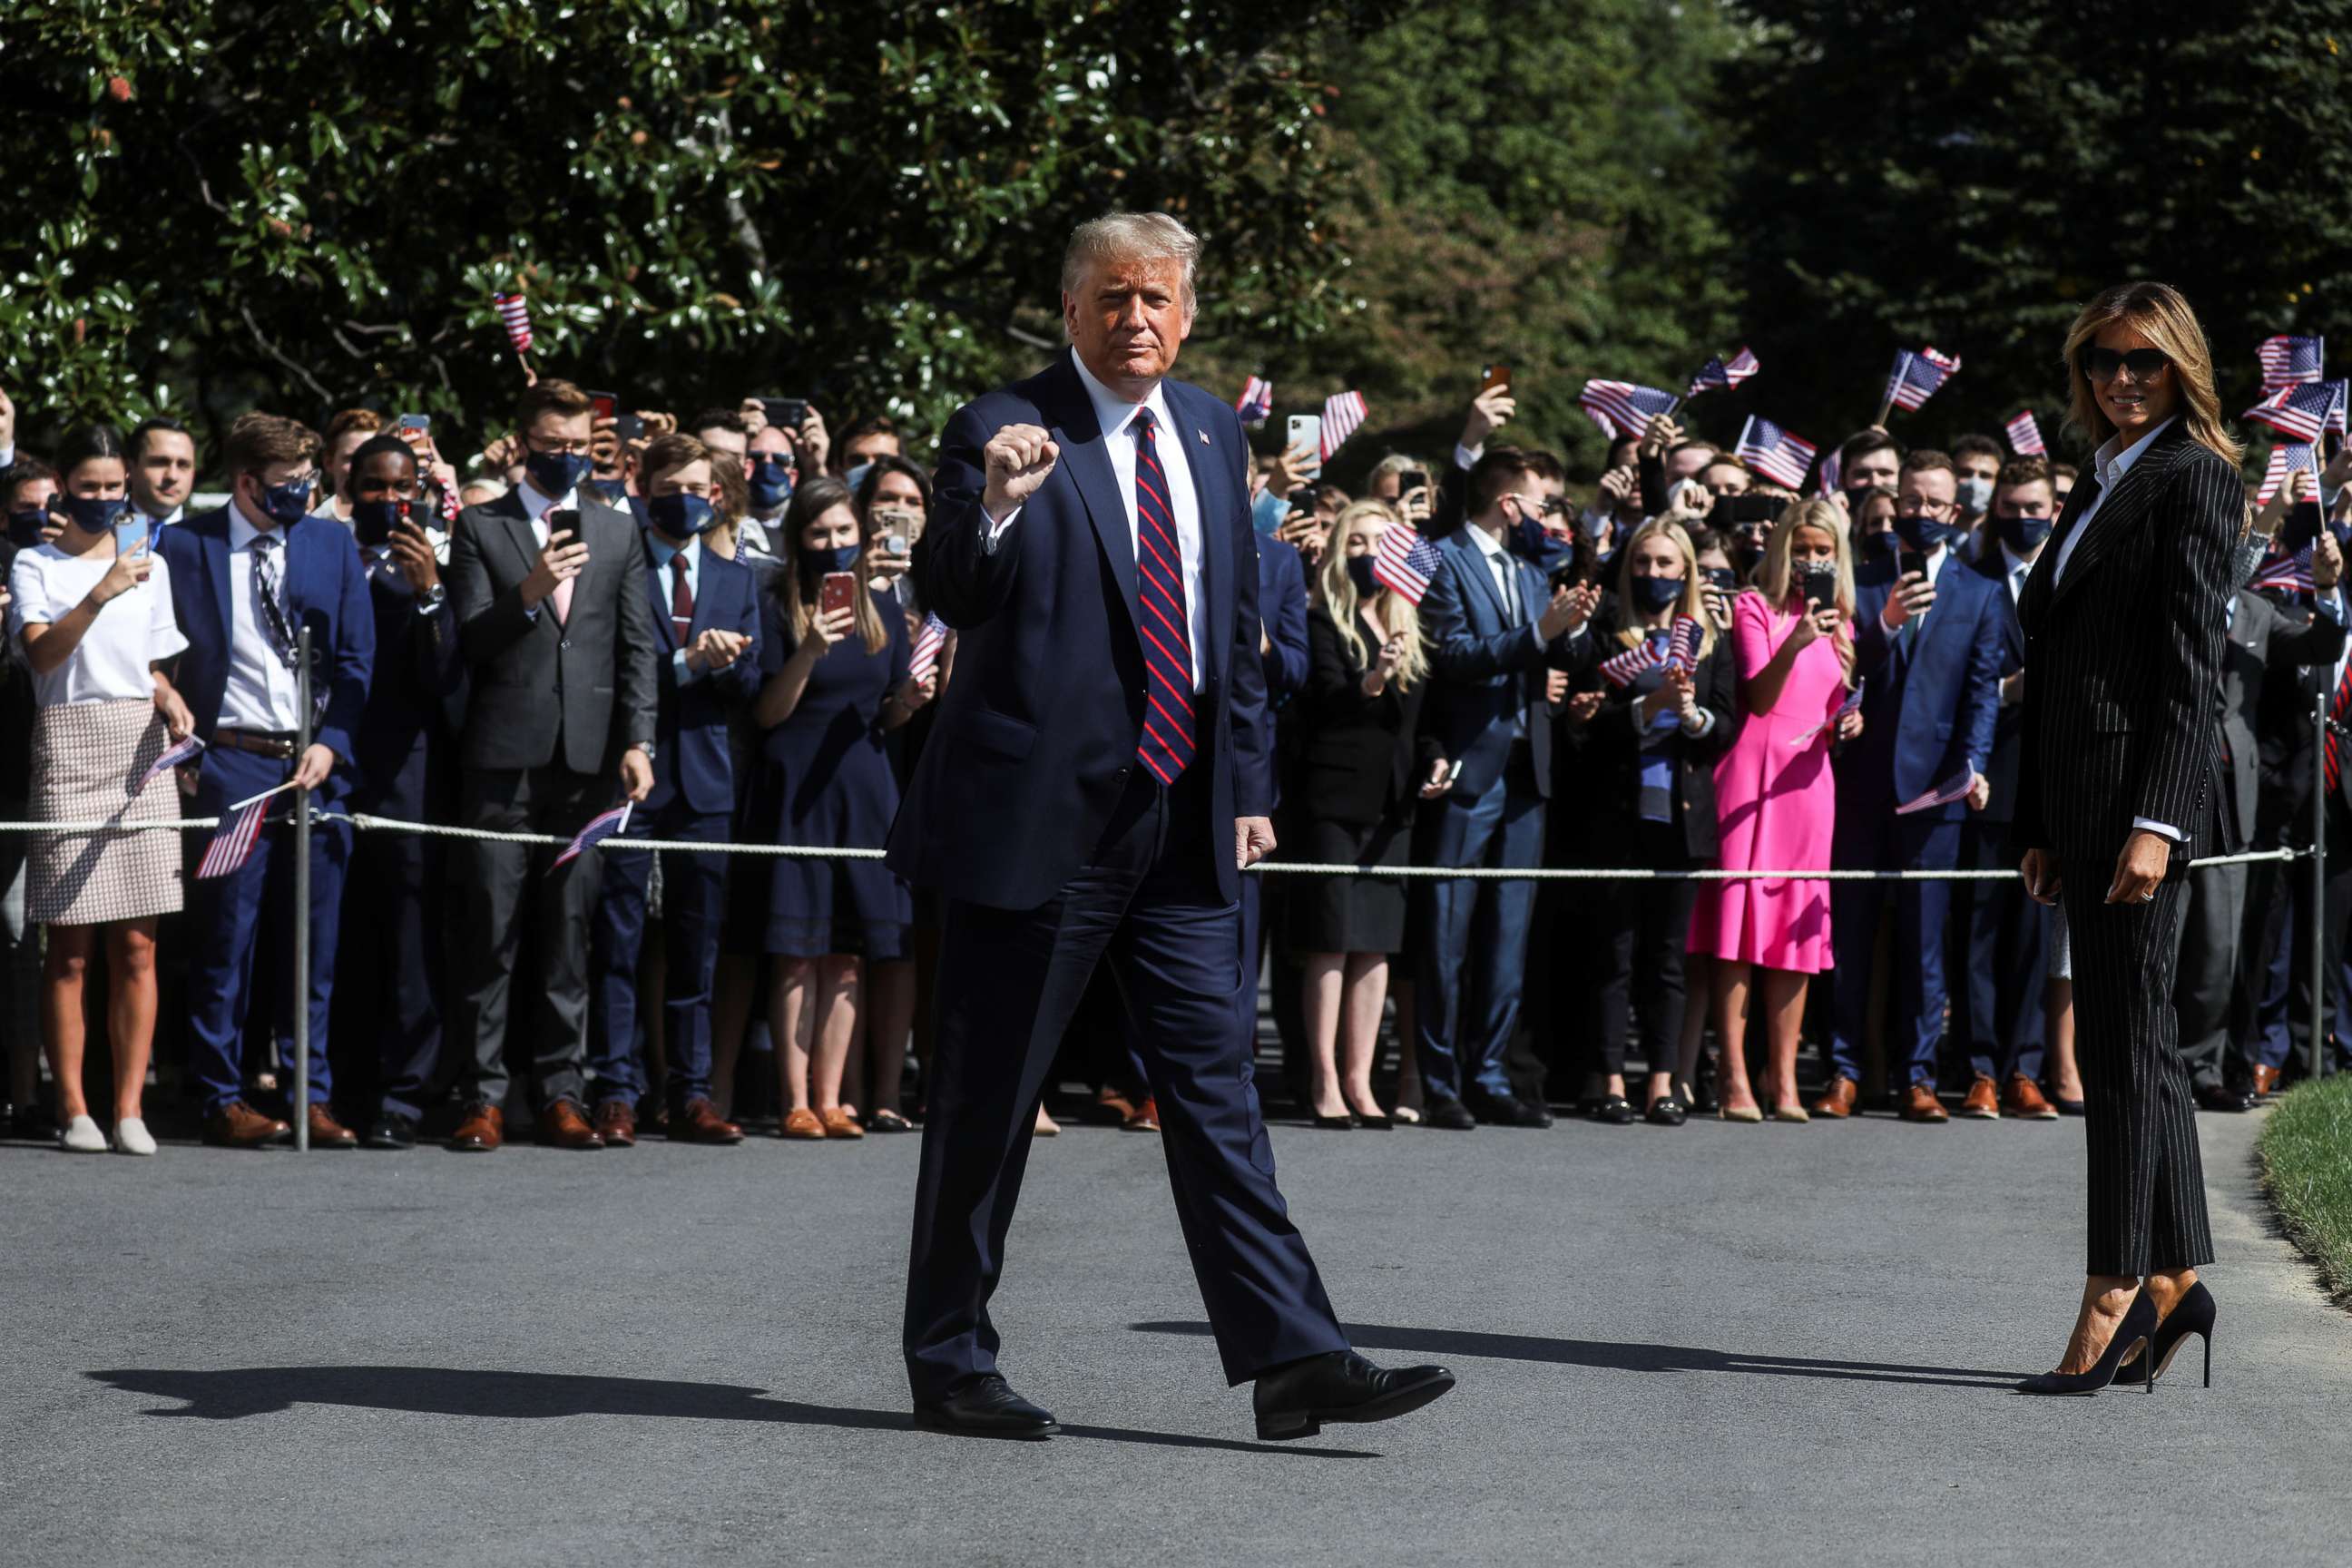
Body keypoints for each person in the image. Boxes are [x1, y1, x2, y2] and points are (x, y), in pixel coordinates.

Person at [891, 211, 1451, 1442]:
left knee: (1219, 1096)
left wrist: (1247, 784)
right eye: (1111, 298)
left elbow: (1234, 626)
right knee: (989, 1096)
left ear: (1186, 315)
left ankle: (1294, 1357)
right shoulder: (1002, 425)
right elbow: (953, 588)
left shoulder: (1208, 428)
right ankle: (949, 1357)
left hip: (1184, 822)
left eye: (1156, 300)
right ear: (1073, 308)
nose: (1134, 318)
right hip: (1038, 827)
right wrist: (992, 506)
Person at [2012, 279, 2239, 1394]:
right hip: (2081, 805)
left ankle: (2115, 1285)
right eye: (2102, 360)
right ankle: (2171, 1283)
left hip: (2139, 811)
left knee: (2124, 1055)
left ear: (2180, 365)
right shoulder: (2098, 482)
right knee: (2130, 1050)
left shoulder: (2194, 476)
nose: (2119, 378)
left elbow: (2192, 675)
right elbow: (2055, 663)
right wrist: (2044, 821)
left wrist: (2159, 822)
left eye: (2142, 360)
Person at [443, 377, 660, 1153]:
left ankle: (563, 1091)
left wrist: (640, 741)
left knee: (570, 935)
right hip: (504, 758)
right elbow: (468, 639)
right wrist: (530, 590)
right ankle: (482, 1096)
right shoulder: (481, 526)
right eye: (552, 445)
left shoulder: (617, 530)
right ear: (524, 443)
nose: (566, 458)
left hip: (592, 758)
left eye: (579, 447)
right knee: (491, 933)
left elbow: (636, 646)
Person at [159, 412, 374, 1150]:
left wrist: (335, 744)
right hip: (231, 762)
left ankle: (311, 1092)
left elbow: (355, 664)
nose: (302, 496)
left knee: (311, 939)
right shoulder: (186, 546)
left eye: (310, 483)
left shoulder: (330, 543)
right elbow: (160, 648)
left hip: (314, 766)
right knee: (227, 937)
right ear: (246, 482)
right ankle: (221, 1091)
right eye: (286, 486)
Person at [8, 424, 194, 1154]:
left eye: (115, 487)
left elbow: (147, 661)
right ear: (63, 483)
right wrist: (98, 589)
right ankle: (75, 1108)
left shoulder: (152, 561)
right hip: (67, 741)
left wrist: (167, 695)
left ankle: (129, 1110)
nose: (105, 498)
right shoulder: (36, 564)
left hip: (137, 749)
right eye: (90, 486)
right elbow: (43, 657)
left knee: (140, 945)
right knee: (71, 948)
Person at [1414, 449, 1597, 1130]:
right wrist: (1537, 632)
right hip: (1468, 767)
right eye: (1545, 505)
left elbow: (1565, 657)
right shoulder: (1441, 558)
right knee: (1447, 933)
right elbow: (1453, 656)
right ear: (1511, 504)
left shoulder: (1529, 570)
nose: (1553, 520)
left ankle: (1490, 1074)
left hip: (1529, 772)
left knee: (1507, 938)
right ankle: (1441, 1082)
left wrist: (1570, 626)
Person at [585, 433, 760, 1147]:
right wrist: (683, 661)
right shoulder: (615, 564)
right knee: (618, 939)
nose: (686, 498)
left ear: (716, 495)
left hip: (705, 781)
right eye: (672, 486)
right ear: (644, 484)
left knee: (698, 942)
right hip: (632, 774)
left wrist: (720, 664)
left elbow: (751, 684)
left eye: (699, 487)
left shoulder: (733, 576)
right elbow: (612, 669)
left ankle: (693, 1093)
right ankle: (617, 1092)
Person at [742, 476, 928, 1141]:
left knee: (849, 956)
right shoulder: (774, 602)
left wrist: (909, 701)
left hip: (866, 788)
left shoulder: (882, 605)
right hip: (796, 786)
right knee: (796, 953)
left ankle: (833, 1099)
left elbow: (887, 713)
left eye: (843, 532)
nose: (832, 544)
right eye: (819, 533)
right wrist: (812, 648)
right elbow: (766, 713)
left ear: (861, 536)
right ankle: (795, 1101)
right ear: (799, 539)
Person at [1818, 450, 2002, 1122]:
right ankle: (1842, 1071)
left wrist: (1973, 766)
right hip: (1860, 786)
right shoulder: (1862, 582)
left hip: (1936, 797)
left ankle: (1917, 1076)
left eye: (1933, 503)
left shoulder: (1980, 591)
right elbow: (1837, 674)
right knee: (1852, 935)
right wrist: (1887, 623)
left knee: (1925, 943)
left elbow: (1982, 692)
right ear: (1895, 504)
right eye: (1911, 501)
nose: (1920, 513)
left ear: (1955, 512)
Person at [1563, 519, 1740, 1125]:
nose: (1654, 574)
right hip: (1617, 815)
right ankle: (1607, 1078)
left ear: (1687, 570)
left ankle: (1665, 1082)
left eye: (1667, 564)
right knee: (1613, 955)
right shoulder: (1612, 634)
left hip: (1683, 821)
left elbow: (1725, 726)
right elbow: (1585, 724)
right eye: (1643, 563)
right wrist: (1648, 706)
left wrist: (1690, 714)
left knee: (1667, 960)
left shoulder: (1711, 637)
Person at [1688, 500, 1857, 1121]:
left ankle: (1783, 1081)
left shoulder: (1845, 621)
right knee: (1735, 932)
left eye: (1823, 551)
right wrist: (1798, 641)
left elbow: (1829, 705)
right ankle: (1735, 1081)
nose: (1812, 560)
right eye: (1803, 548)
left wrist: (1849, 716)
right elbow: (1759, 696)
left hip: (1809, 782)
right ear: (1783, 547)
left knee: (1795, 932)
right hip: (1750, 775)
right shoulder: (1754, 606)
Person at [2176, 525, 2345, 1111]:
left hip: (2232, 796)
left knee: (2218, 948)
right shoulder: (2167, 596)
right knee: (2161, 941)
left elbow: (2321, 645)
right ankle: (2141, 1066)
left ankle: (2201, 1068)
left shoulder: (2254, 610)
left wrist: (2327, 589)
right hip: (2164, 787)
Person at [333, 436, 466, 1149]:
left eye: (401, 487)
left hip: (408, 768)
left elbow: (449, 680)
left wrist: (429, 593)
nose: (389, 500)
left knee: (412, 933)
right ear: (350, 486)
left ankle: (406, 1095)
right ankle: (338, 1089)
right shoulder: (323, 551)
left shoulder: (436, 563)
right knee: (339, 928)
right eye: (375, 488)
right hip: (331, 757)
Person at [1288, 501, 1430, 1127]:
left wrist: (1437, 760)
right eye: (1357, 543)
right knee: (1331, 942)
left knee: (1375, 948)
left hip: (1394, 805)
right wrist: (1371, 678)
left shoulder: (1410, 622)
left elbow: (1422, 722)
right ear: (1340, 554)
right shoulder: (1323, 620)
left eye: (1381, 542)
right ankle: (1323, 1082)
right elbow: (1322, 700)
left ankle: (1360, 1080)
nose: (1371, 554)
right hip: (1335, 800)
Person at [1950, 458, 2060, 1118]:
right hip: (1990, 781)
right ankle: (1980, 1069)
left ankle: (2025, 1068)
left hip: (2053, 784)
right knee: (1983, 931)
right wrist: (2007, 691)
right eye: (2013, 507)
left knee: (2034, 933)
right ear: (1996, 512)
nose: (2026, 518)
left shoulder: (2070, 577)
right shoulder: (1973, 584)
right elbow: (1952, 683)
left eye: (2036, 506)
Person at [127, 416, 197, 536]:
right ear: (130, 468)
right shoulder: (99, 534)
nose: (172, 476)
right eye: (160, 462)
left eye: (183, 465)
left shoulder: (211, 539)